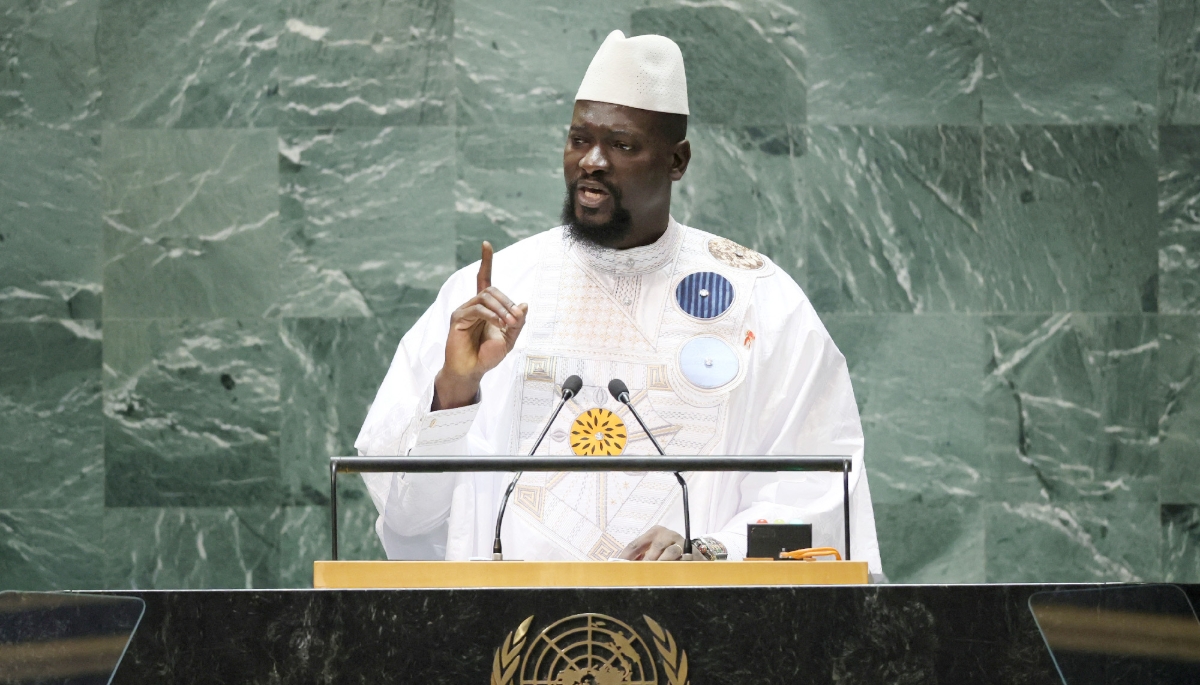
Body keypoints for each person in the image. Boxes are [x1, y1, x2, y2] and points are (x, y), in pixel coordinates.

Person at [355, 30, 882, 575]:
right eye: (579, 139)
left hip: (705, 637)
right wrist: (455, 392)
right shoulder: (489, 295)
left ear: (677, 161)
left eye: (623, 145)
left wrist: (708, 548)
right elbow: (407, 518)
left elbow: (819, 497)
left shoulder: (759, 300)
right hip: (510, 644)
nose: (593, 162)